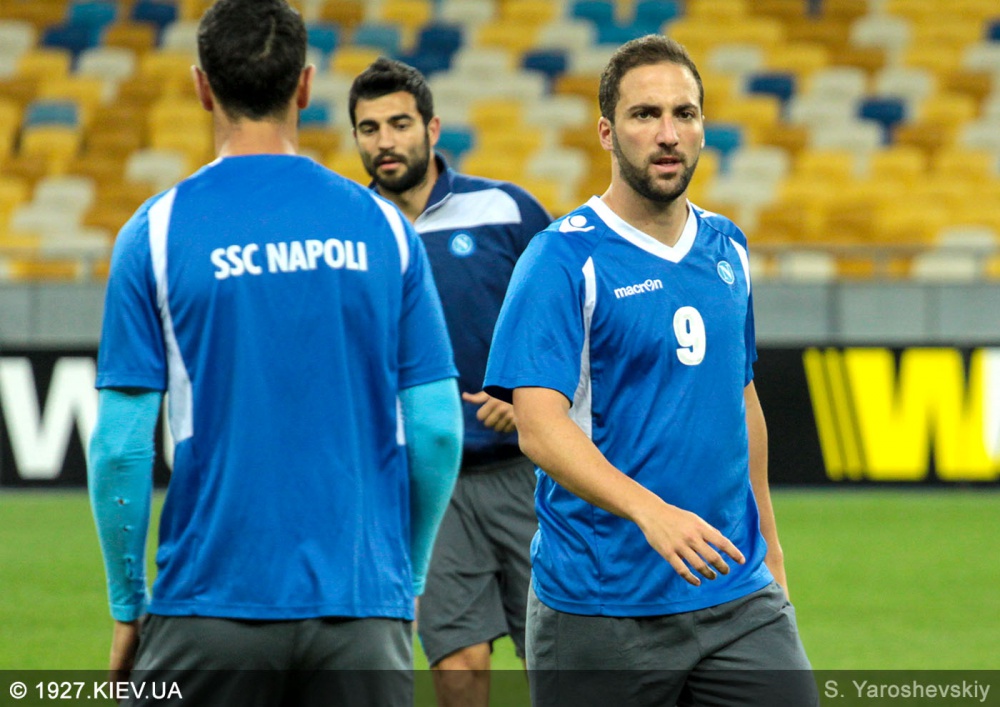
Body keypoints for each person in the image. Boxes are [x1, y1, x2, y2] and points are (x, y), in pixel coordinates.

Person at [88, 2, 462, 705]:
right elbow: (438, 430)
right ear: (305, 85)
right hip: (362, 607)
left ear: (203, 88)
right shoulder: (385, 227)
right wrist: (405, 581)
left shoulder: (155, 232)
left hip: (209, 603)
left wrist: (127, 602)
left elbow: (119, 447)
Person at [483, 35, 819, 706]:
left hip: (735, 593)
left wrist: (771, 547)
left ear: (702, 127)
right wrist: (651, 512)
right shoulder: (560, 259)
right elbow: (539, 428)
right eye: (645, 114)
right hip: (601, 605)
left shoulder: (727, 245)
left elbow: (740, 398)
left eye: (684, 114)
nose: (668, 134)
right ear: (607, 133)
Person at [348, 58, 552, 706]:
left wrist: (528, 398)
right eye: (370, 128)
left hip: (525, 474)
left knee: (558, 658)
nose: (385, 141)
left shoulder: (506, 210)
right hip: (425, 485)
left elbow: (570, 323)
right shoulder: (351, 232)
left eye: (400, 123)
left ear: (432, 129)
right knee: (457, 669)